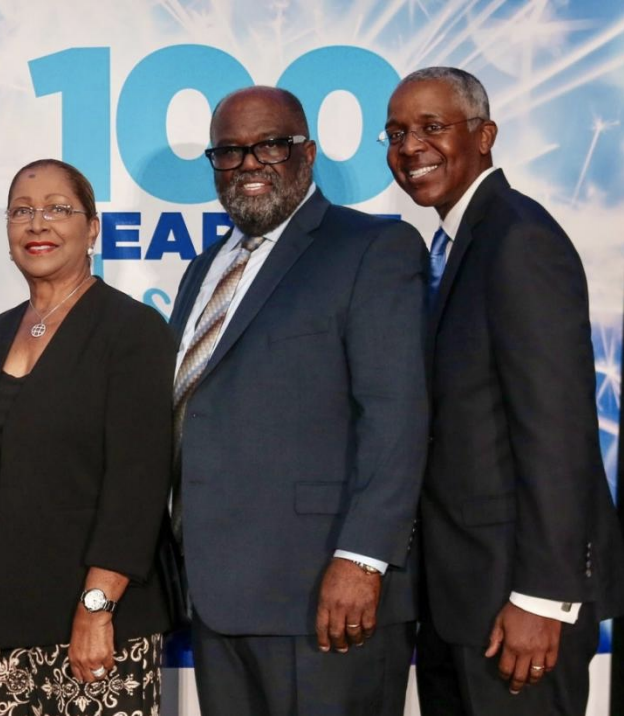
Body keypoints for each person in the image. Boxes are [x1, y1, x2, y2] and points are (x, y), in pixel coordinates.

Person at [170, 86, 428, 715]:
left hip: (323, 594)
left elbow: (397, 418)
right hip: (216, 597)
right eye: (229, 152)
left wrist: (362, 561)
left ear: (307, 153)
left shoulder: (372, 249)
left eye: (270, 146)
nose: (249, 164)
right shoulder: (202, 270)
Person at [384, 66, 624, 715]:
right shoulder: (455, 242)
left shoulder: (518, 239)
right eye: (397, 132)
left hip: (515, 610)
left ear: (485, 134)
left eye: (432, 127)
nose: (410, 147)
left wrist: (542, 599)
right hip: (456, 605)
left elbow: (558, 435)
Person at [0, 158, 172, 715]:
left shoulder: (133, 331)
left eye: (57, 209)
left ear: (92, 227)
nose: (37, 224)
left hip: (97, 626)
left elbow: (137, 485)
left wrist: (96, 607)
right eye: (22, 211)